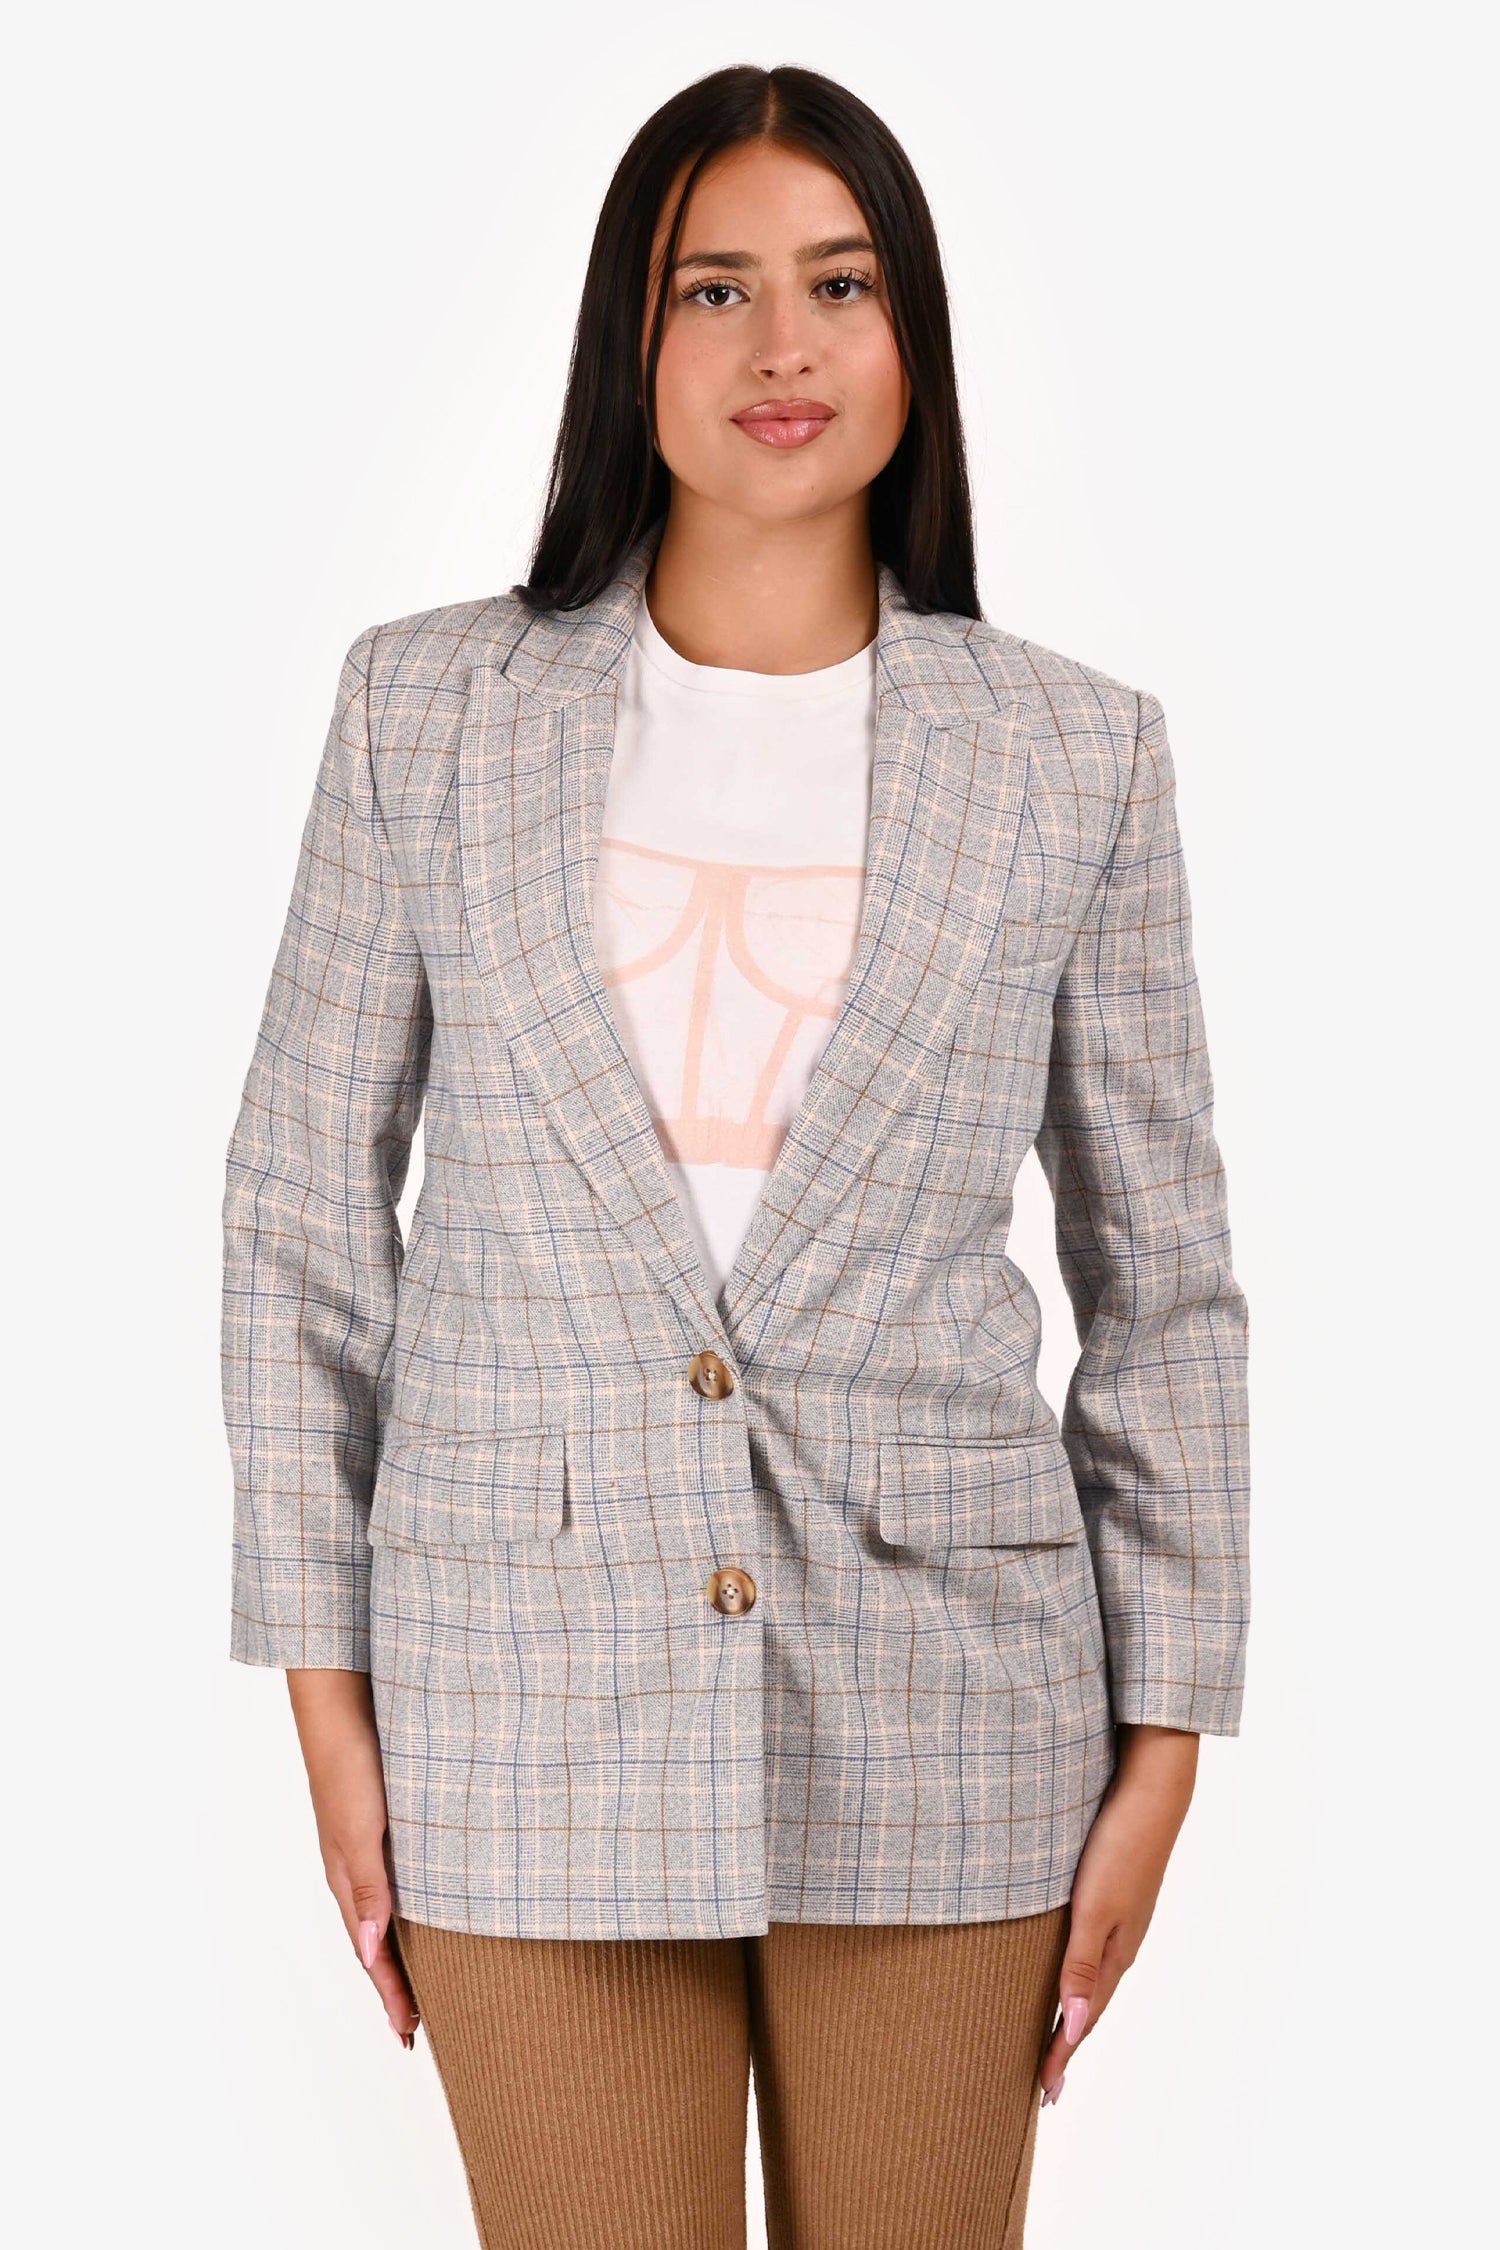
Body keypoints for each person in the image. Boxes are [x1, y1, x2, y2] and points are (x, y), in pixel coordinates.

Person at [221, 62, 1250, 2249]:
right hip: (518, 1700)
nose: (785, 346)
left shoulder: (1078, 755)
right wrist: (328, 1707)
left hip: (955, 1708)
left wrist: (1167, 1739)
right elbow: (301, 1221)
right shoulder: (424, 714)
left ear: (913, 334)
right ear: (634, 334)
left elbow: (1165, 1279)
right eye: (717, 289)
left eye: (841, 285)